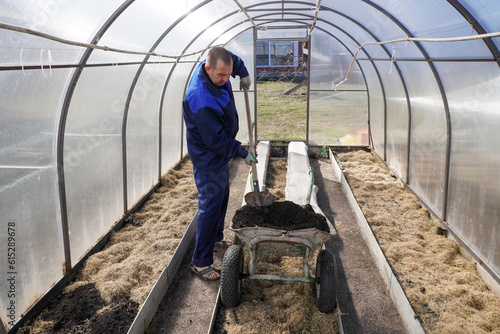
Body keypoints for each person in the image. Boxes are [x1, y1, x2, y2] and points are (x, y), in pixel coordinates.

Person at [182, 46, 257, 280]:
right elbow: (214, 140)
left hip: (220, 151)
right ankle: (200, 261)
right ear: (208, 69)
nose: (226, 80)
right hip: (208, 157)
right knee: (210, 206)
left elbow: (230, 59)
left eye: (228, 74)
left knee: (222, 196)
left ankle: (215, 236)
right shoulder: (200, 98)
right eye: (221, 76)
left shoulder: (218, 63)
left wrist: (242, 73)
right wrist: (239, 151)